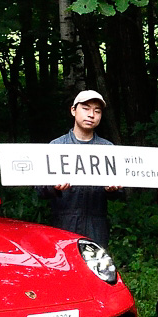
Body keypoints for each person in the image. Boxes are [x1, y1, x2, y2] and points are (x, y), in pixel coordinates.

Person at [45, 89, 121, 245]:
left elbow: (119, 193)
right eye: (86, 109)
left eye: (97, 111)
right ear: (73, 110)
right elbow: (39, 190)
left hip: (97, 226)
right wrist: (54, 187)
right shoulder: (57, 146)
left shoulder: (108, 149)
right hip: (62, 224)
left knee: (95, 269)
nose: (91, 115)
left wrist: (112, 190)